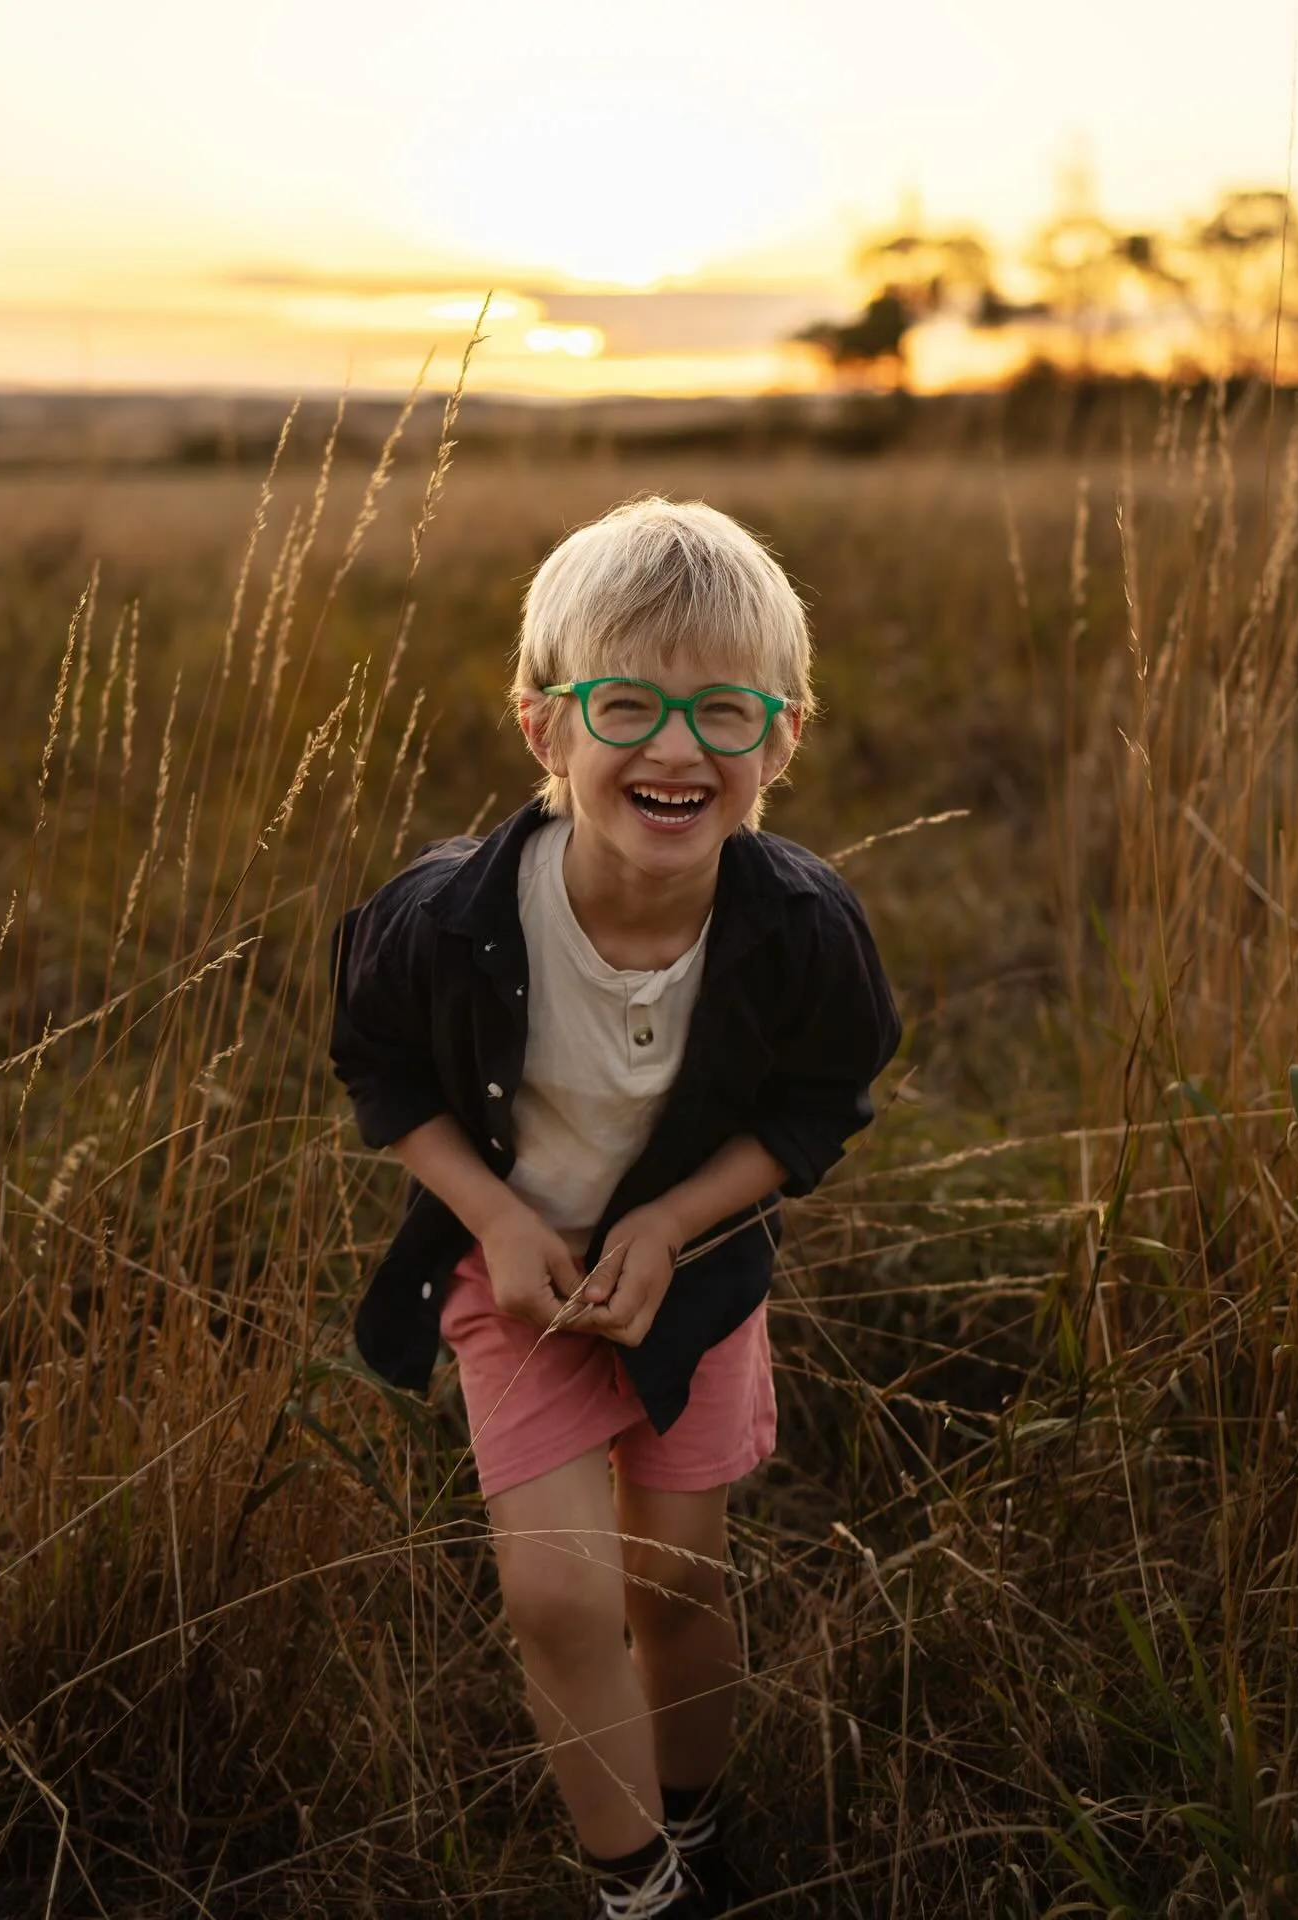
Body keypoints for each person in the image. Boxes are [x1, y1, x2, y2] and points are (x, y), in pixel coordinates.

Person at [329, 497, 901, 1918]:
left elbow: (821, 1101)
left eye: (725, 713)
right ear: (544, 725)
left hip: (694, 1289)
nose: (675, 749)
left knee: (677, 1585)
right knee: (564, 1600)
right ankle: (637, 1885)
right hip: (508, 1283)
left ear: (781, 738)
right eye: (627, 704)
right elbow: (380, 1069)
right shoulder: (443, 921)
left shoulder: (801, 929)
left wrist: (670, 1224)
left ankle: (697, 1822)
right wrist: (497, 1218)